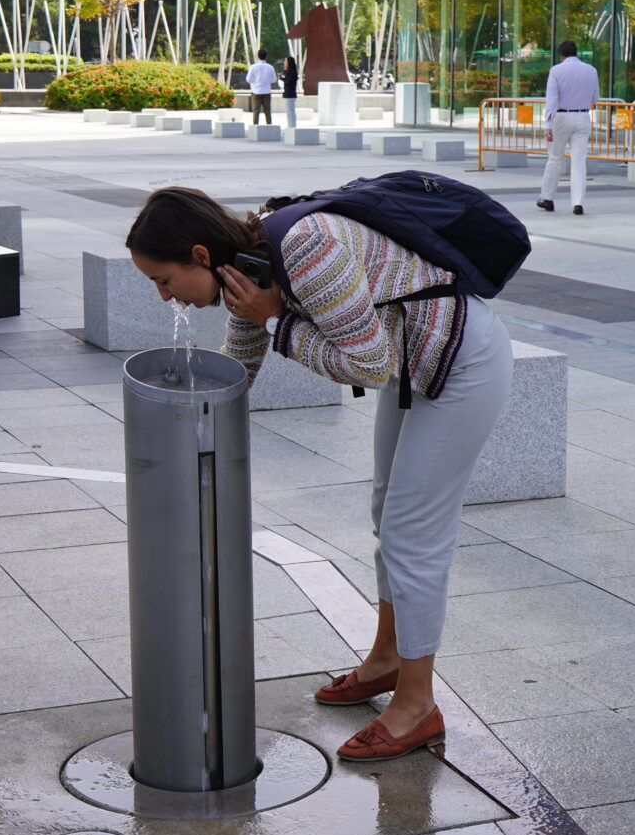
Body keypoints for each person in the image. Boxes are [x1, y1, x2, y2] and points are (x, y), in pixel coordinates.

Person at [126, 187, 513, 762]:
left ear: (201, 256)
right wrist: (202, 421)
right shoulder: (251, 262)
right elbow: (245, 347)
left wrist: (277, 320)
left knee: (413, 534)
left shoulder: (306, 249)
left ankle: (417, 707)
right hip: (418, 363)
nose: (164, 297)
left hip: (462, 362)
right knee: (388, 511)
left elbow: (369, 364)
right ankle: (385, 661)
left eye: (163, 279)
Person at [538, 40, 598, 216]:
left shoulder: (556, 70)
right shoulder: (591, 70)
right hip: (583, 116)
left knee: (555, 158)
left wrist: (548, 124)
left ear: (561, 54)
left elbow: (552, 99)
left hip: (561, 117)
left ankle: (547, 197)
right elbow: (595, 98)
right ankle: (578, 202)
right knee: (579, 161)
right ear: (576, 52)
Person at [246, 48, 277, 124]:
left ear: (257, 56)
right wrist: (267, 81)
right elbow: (274, 80)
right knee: (268, 112)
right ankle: (269, 127)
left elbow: (248, 79)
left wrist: (255, 82)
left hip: (256, 91)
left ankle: (255, 128)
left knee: (256, 112)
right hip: (267, 91)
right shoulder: (270, 67)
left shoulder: (253, 67)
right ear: (266, 56)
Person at [282, 56, 300, 129]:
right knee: (289, 111)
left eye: (286, 61)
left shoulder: (291, 72)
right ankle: (291, 126)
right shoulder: (291, 71)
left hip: (290, 94)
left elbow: (288, 82)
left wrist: (283, 78)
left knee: (290, 112)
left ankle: (291, 126)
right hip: (290, 94)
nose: (284, 63)